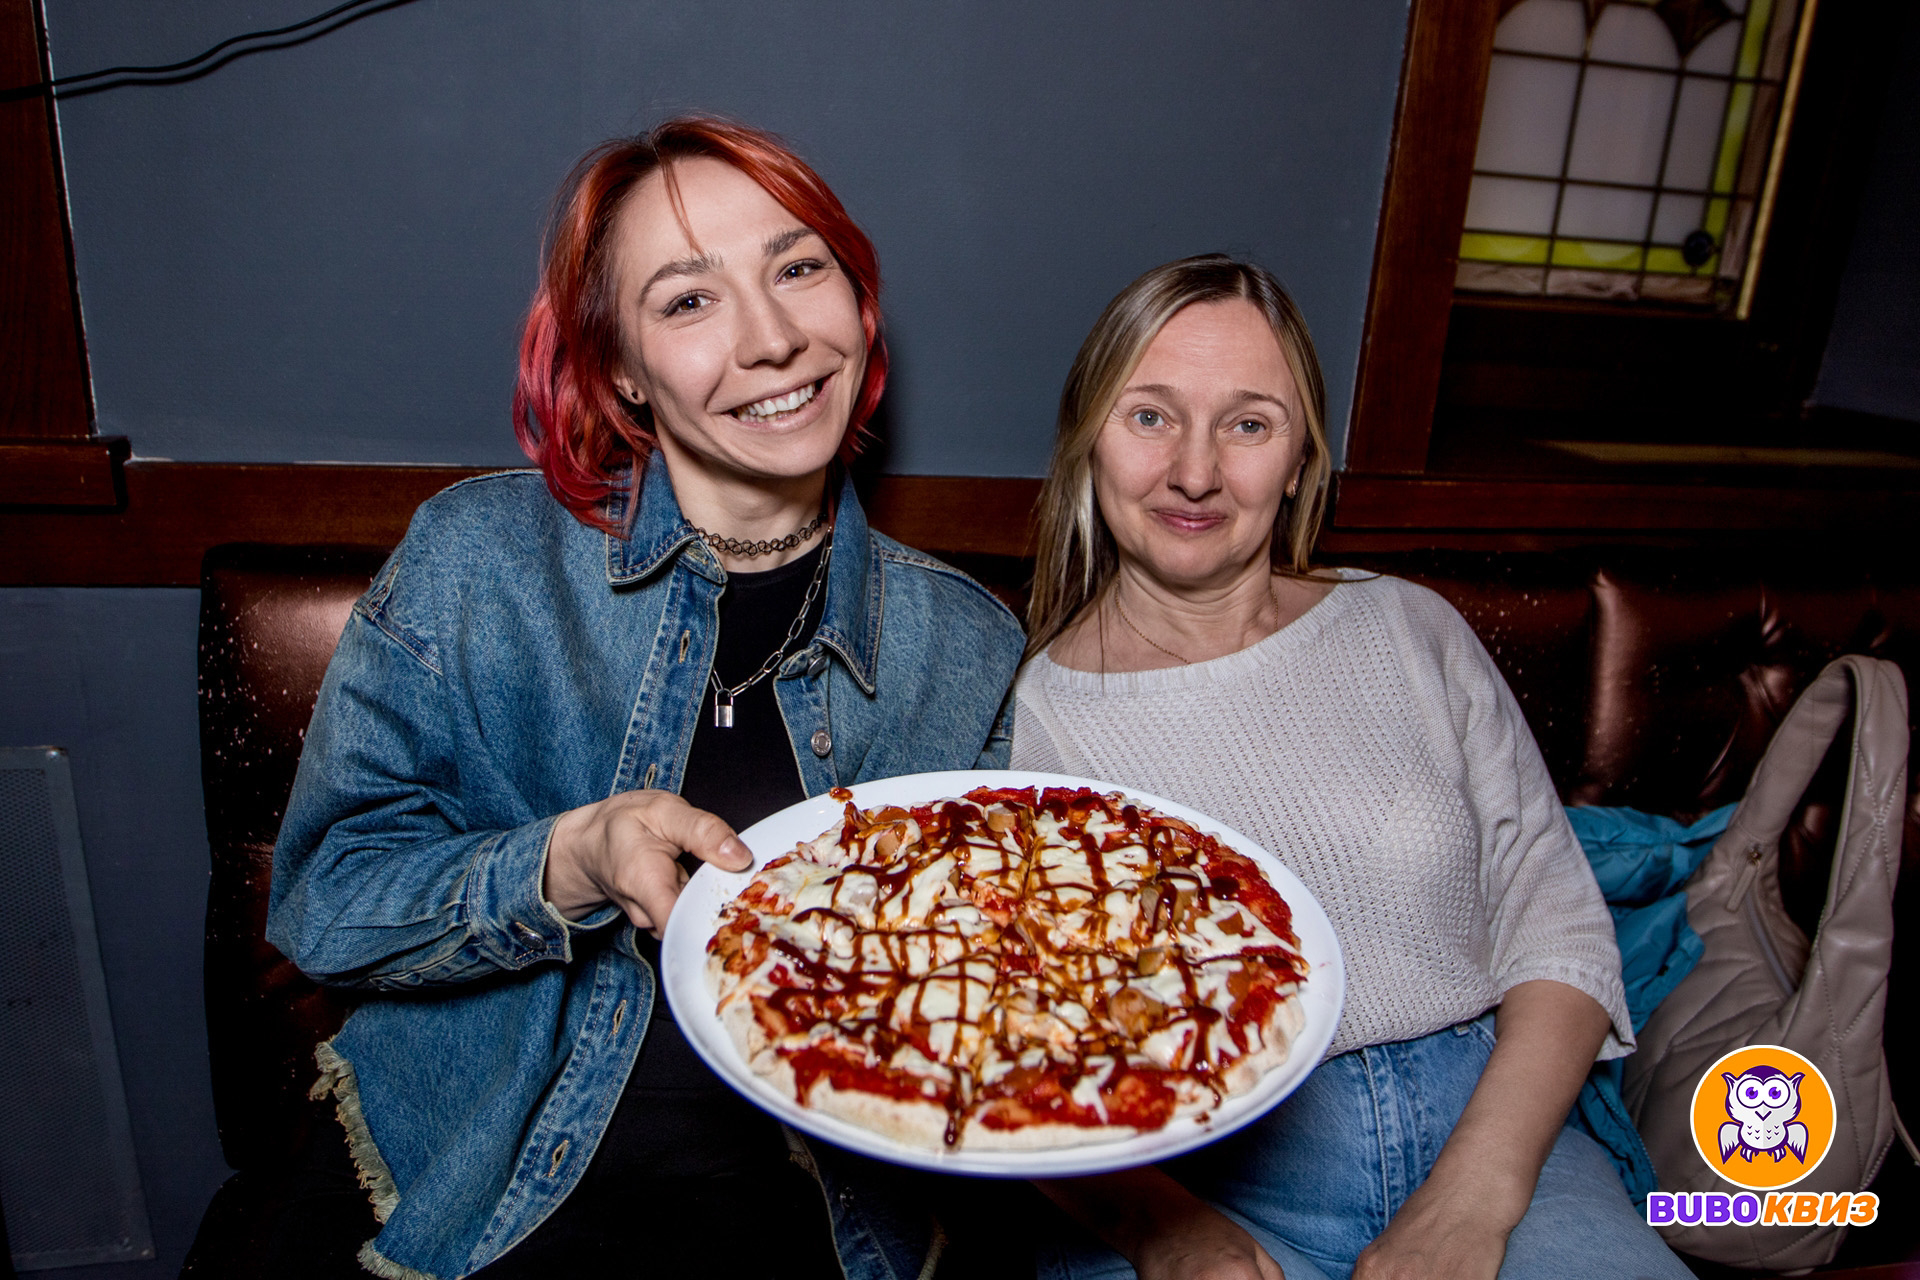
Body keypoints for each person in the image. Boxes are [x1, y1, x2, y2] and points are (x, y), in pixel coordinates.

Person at [265, 117, 1023, 1280]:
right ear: (618, 363)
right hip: (482, 1185)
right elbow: (324, 906)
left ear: (858, 300)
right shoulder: (479, 560)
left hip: (809, 1214)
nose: (773, 338)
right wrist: (566, 860)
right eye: (688, 300)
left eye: (798, 266)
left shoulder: (965, 642)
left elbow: (987, 999)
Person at [1009, 255, 1693, 1280]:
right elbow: (1017, 1045)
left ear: (1299, 461)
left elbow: (1556, 925)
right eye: (1150, 415)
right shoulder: (1033, 719)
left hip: (1501, 1139)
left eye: (1249, 424)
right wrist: (1166, 1228)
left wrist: (1474, 1198)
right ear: (1086, 440)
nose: (1195, 471)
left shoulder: (1408, 628)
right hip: (1205, 1178)